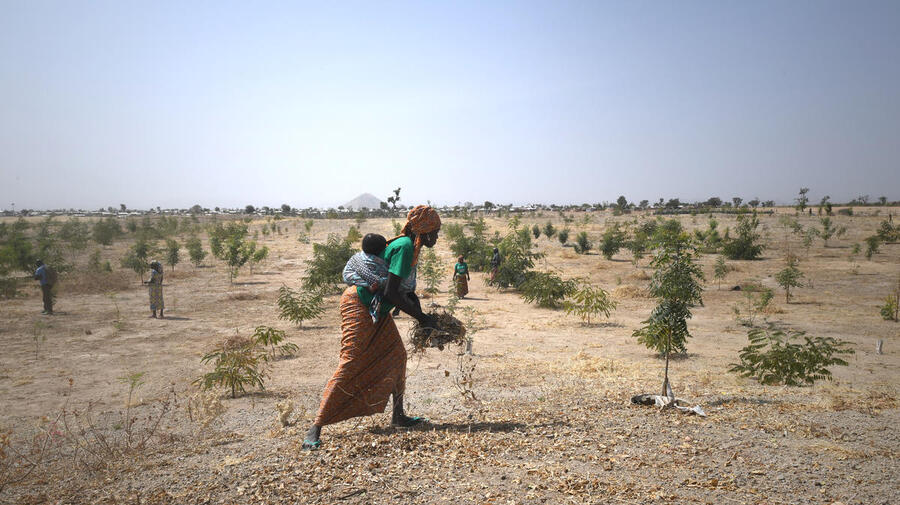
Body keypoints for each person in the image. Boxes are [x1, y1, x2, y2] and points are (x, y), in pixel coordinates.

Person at [303, 205, 441, 450]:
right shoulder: (405, 247)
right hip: (359, 304)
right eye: (435, 231)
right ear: (424, 230)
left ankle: (398, 416)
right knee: (351, 360)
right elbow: (391, 291)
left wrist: (420, 312)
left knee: (397, 355)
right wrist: (422, 318)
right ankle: (316, 426)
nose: (437, 237)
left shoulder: (406, 245)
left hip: (376, 309)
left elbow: (399, 290)